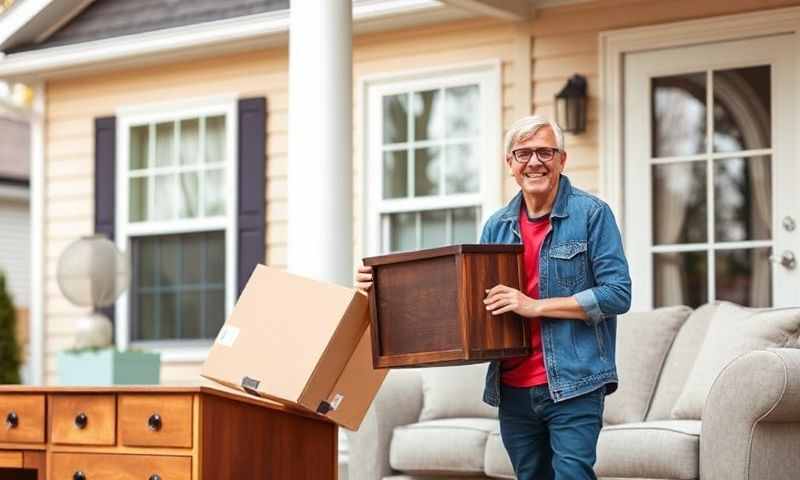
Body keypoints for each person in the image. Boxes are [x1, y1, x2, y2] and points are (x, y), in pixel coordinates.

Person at [356, 114, 631, 480]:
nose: (535, 162)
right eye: (523, 153)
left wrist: (534, 306)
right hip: (513, 388)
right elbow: (465, 301)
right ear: (511, 165)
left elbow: (617, 294)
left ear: (562, 160)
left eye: (546, 152)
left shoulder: (592, 215)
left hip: (573, 384)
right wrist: (382, 289)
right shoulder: (497, 226)